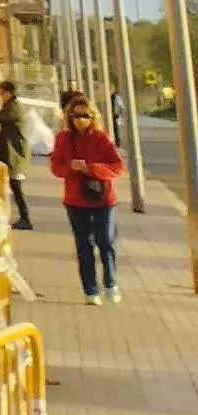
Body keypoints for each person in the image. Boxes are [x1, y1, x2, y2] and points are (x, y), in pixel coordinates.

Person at [51, 88, 126, 302]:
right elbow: (56, 167)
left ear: (92, 117)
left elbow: (117, 167)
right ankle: (91, 291)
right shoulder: (63, 139)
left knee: (106, 241)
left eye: (85, 116)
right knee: (84, 246)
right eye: (75, 116)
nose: (80, 120)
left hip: (103, 200)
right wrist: (71, 167)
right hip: (76, 200)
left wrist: (91, 168)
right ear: (69, 117)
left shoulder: (102, 138)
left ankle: (111, 284)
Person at [0, 77, 35, 230]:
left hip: (16, 153)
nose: (1, 95)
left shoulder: (14, 107)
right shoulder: (10, 105)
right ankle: (22, 217)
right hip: (11, 151)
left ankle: (25, 218)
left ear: (10, 93)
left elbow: (0, 117)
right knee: (13, 185)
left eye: (3, 92)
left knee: (16, 186)